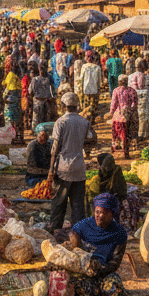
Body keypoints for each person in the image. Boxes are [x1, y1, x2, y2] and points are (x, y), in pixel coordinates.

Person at [65, 193, 129, 296]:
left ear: (112, 214)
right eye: (97, 212)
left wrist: (99, 268)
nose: (99, 216)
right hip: (84, 274)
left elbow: (115, 263)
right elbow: (72, 243)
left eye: (103, 213)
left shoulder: (119, 233)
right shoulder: (82, 227)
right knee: (86, 292)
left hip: (103, 273)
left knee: (117, 292)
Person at [48, 93, 93, 236]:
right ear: (76, 105)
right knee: (78, 204)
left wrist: (51, 170)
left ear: (63, 106)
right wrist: (85, 149)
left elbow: (55, 149)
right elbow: (92, 139)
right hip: (79, 168)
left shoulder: (60, 122)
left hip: (63, 168)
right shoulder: (84, 121)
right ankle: (78, 234)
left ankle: (55, 230)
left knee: (59, 202)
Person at [95, 152, 140, 233]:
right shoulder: (116, 169)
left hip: (105, 197)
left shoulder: (101, 171)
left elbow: (101, 188)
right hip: (117, 197)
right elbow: (121, 188)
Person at [109, 75, 137, 158]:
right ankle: (126, 152)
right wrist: (130, 110)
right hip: (128, 117)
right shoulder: (132, 90)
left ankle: (114, 150)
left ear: (119, 82)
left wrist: (111, 112)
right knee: (126, 135)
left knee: (115, 134)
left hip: (118, 117)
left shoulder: (116, 90)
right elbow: (134, 103)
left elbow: (114, 103)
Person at [128, 60, 149, 145]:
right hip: (142, 101)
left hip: (132, 101)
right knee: (143, 118)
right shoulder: (145, 77)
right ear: (142, 67)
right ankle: (142, 135)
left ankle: (135, 135)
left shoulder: (130, 76)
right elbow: (142, 87)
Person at [2, 59, 24, 144]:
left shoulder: (9, 88)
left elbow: (4, 96)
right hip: (17, 106)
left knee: (10, 123)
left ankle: (11, 138)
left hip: (9, 107)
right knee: (18, 122)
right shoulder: (18, 85)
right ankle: (20, 138)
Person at [81, 52, 102, 123]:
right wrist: (99, 88)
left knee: (86, 105)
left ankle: (86, 120)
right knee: (93, 106)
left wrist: (81, 88)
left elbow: (81, 78)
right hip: (94, 89)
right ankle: (92, 120)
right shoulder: (97, 67)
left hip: (86, 89)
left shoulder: (84, 67)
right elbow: (99, 80)